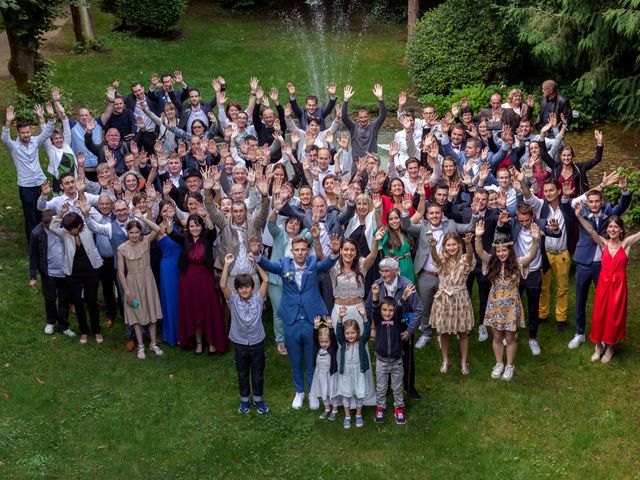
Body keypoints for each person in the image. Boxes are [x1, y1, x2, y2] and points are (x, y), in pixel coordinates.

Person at [251, 234, 341, 410]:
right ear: (292, 251)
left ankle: (313, 392)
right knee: (295, 358)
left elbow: (328, 264)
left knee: (312, 357)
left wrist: (335, 252)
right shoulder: (285, 264)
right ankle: (299, 391)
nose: (300, 253)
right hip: (292, 318)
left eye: (303, 250)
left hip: (312, 319)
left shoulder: (314, 263)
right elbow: (268, 265)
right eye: (297, 250)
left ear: (307, 251)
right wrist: (256, 254)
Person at [568, 177, 631, 350]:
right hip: (584, 262)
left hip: (604, 267)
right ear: (587, 202)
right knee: (580, 299)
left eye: (597, 201)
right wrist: (600, 185)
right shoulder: (580, 212)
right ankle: (579, 333)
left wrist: (624, 190)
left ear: (602, 201)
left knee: (605, 302)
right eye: (591, 202)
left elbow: (623, 205)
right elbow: (569, 204)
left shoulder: (608, 211)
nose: (595, 204)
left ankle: (604, 334)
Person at [475, 220, 540, 381]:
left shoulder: (518, 264)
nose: (502, 253)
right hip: (495, 304)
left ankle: (510, 365)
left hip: (511, 305)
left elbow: (531, 255)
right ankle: (499, 363)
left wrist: (535, 240)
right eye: (499, 251)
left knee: (510, 338)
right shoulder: (491, 262)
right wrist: (478, 238)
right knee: (497, 337)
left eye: (504, 250)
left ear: (510, 250)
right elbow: (480, 252)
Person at [574, 208, 640, 363]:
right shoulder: (603, 244)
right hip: (603, 285)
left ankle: (610, 347)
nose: (612, 229)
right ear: (607, 229)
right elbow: (590, 230)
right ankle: (598, 346)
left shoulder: (626, 245)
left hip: (618, 287)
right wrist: (578, 216)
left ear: (621, 229)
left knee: (614, 316)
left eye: (615, 226)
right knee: (599, 315)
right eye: (610, 226)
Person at [364, 258, 423, 400]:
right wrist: (373, 327)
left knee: (407, 357)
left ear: (396, 272)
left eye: (387, 271)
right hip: (383, 329)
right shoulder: (377, 285)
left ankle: (409, 387)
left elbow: (419, 309)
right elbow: (369, 307)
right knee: (385, 356)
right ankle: (388, 386)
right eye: (381, 271)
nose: (383, 275)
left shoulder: (406, 285)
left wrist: (409, 331)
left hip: (403, 326)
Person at [220, 253, 270, 415]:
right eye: (241, 287)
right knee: (242, 374)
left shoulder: (258, 299)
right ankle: (244, 401)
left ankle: (258, 399)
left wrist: (255, 263)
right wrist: (227, 265)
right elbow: (222, 286)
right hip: (240, 344)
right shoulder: (233, 300)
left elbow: (266, 280)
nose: (244, 290)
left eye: (247, 286)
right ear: (237, 289)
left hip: (257, 343)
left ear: (252, 287)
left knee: (257, 374)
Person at [170, 214, 227, 354]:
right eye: (191, 226)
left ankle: (213, 342)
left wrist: (206, 216)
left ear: (201, 226)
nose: (194, 228)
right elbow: (171, 233)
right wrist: (169, 218)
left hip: (205, 279)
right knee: (193, 310)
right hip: (188, 281)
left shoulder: (207, 238)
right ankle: (199, 343)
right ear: (188, 228)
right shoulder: (185, 238)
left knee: (209, 309)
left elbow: (213, 229)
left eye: (197, 225)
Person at [49, 201, 104, 344]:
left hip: (91, 271)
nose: (69, 232)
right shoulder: (65, 234)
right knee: (78, 304)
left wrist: (85, 209)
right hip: (72, 273)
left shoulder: (87, 228)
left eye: (71, 229)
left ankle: (97, 330)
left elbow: (98, 219)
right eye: (67, 229)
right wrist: (61, 213)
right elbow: (52, 226)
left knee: (92, 301)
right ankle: (84, 331)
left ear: (78, 225)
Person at [2, 105, 55, 242]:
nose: (26, 135)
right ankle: (33, 244)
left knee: (42, 213)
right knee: (30, 216)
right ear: (18, 133)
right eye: (23, 133)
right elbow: (4, 139)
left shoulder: (35, 141)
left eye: (28, 132)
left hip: (41, 183)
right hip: (26, 186)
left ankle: (45, 240)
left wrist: (49, 116)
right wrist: (8, 122)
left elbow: (48, 132)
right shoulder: (14, 146)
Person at [116, 211, 164, 360]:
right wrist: (127, 292)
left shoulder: (146, 241)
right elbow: (121, 272)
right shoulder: (122, 248)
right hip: (132, 282)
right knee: (136, 315)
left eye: (137, 232)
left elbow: (157, 229)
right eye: (131, 233)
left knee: (151, 312)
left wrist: (142, 218)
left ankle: (153, 343)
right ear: (127, 232)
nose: (135, 235)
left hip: (147, 279)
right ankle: (141, 346)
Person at [428, 232, 476, 375]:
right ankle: (445, 360)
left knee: (463, 332)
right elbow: (435, 259)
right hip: (444, 299)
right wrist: (432, 247)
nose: (451, 247)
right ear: (444, 246)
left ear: (459, 245)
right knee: (443, 331)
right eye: (448, 245)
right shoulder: (442, 259)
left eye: (454, 244)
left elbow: (469, 257)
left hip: (460, 298)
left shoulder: (464, 260)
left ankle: (464, 362)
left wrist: (468, 244)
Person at [371, 282, 416, 425]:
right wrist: (376, 295)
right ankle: (380, 407)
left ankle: (399, 408)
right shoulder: (378, 321)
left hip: (397, 361)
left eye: (390, 310)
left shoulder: (396, 320)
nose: (387, 313)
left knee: (397, 387)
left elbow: (400, 307)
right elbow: (374, 309)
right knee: (381, 387)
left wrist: (404, 296)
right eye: (384, 310)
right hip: (381, 361)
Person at [28, 209, 75, 337]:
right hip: (48, 272)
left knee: (64, 300)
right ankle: (50, 322)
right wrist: (32, 277)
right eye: (46, 224)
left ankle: (64, 325)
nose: (49, 226)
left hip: (64, 271)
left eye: (51, 223)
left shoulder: (64, 228)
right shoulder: (36, 233)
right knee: (50, 299)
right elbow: (33, 256)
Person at [336, 305, 371, 429]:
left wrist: (364, 316)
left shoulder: (361, 343)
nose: (350, 335)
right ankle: (347, 416)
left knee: (359, 395)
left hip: (359, 373)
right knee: (346, 395)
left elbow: (367, 330)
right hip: (346, 373)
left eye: (353, 333)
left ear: (357, 333)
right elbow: (338, 332)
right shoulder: (343, 343)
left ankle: (358, 414)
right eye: (347, 333)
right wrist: (340, 318)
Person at [155, 201, 181, 347]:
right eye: (164, 211)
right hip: (169, 268)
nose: (167, 212)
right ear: (160, 213)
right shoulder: (158, 228)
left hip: (182, 266)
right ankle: (174, 333)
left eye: (169, 209)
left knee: (183, 298)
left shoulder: (181, 224)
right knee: (172, 300)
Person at [341, 84, 387, 163]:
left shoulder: (374, 126)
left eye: (365, 117)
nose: (363, 119)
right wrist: (345, 100)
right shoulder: (353, 127)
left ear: (368, 116)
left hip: (371, 162)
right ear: (358, 118)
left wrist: (380, 99)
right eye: (361, 117)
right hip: (357, 162)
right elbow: (344, 117)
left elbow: (383, 115)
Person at [310, 316, 339, 420]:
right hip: (320, 375)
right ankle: (327, 408)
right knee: (323, 392)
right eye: (321, 342)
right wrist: (316, 327)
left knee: (332, 392)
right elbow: (314, 338)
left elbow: (334, 339)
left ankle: (335, 409)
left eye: (326, 341)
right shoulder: (318, 347)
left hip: (330, 374)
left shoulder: (332, 348)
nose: (324, 344)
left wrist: (330, 327)